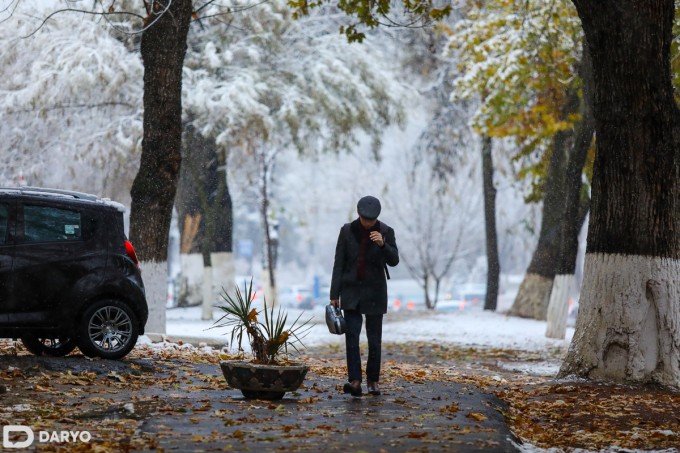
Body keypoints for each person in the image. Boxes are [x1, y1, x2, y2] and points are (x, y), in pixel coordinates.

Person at [330, 195, 399, 396]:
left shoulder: (386, 232)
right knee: (352, 336)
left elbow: (394, 260)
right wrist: (334, 293)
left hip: (375, 292)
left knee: (374, 338)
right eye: (365, 219)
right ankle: (355, 380)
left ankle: (373, 380)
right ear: (359, 215)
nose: (368, 223)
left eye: (371, 220)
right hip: (351, 291)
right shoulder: (346, 231)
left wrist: (383, 245)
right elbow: (338, 264)